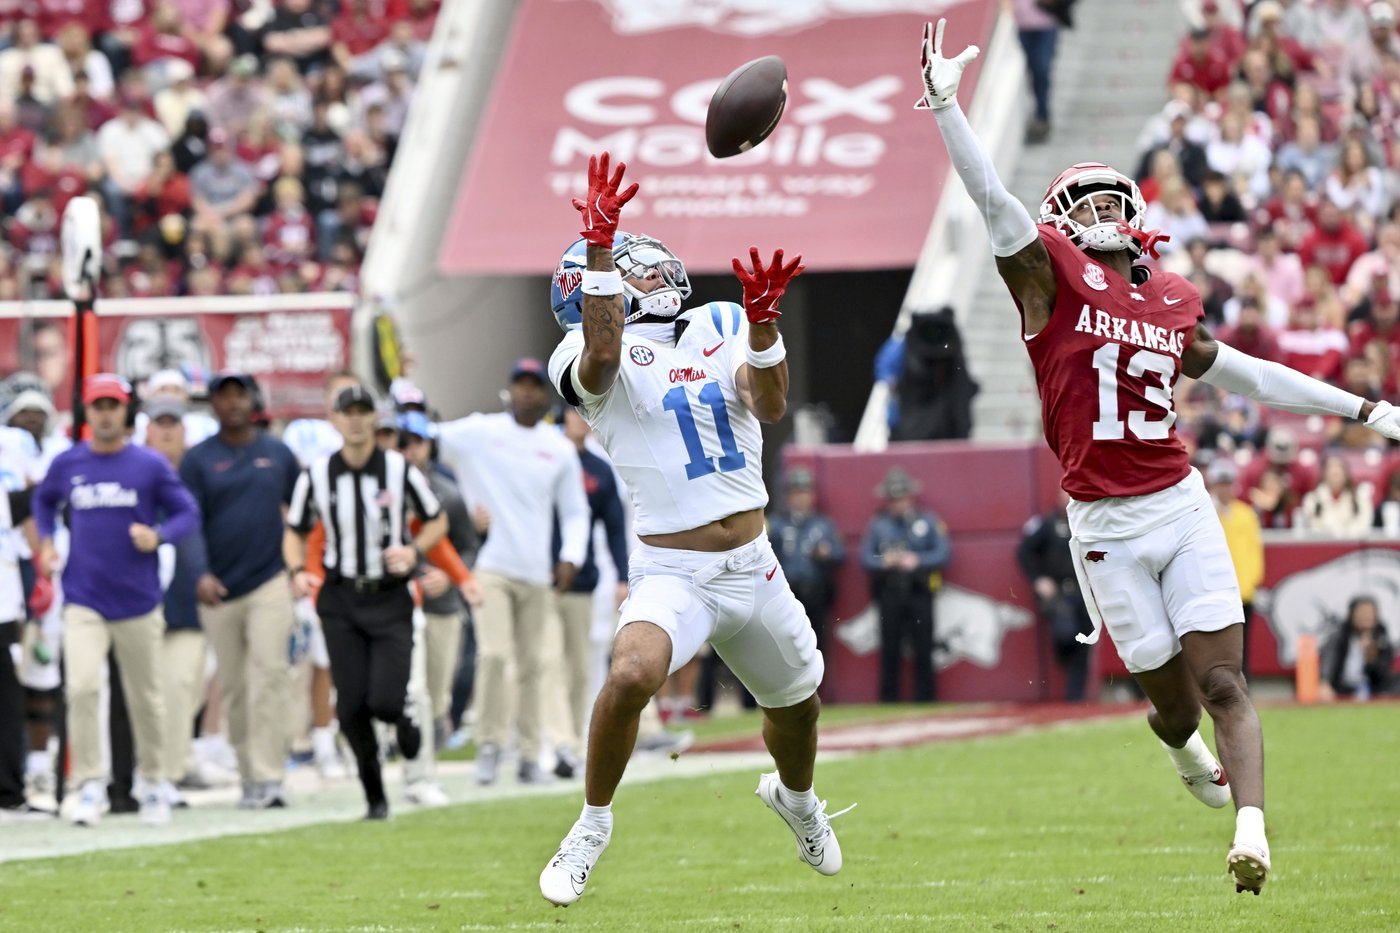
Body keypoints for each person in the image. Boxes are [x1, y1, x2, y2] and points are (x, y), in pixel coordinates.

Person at [916, 17, 1400, 894]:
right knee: (1173, 707)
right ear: (1061, 222)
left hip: (1177, 503)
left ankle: (1252, 832)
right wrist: (950, 108)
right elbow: (993, 202)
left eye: (1114, 201)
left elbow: (1249, 375)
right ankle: (1179, 750)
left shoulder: (1169, 297)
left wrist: (1364, 406)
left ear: (1135, 217)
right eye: (1087, 204)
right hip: (1101, 521)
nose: (1103, 212)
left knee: (1223, 682)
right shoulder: (1046, 278)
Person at [538, 152, 848, 906]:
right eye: (628, 266)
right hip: (674, 572)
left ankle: (798, 801)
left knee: (799, 707)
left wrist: (767, 324)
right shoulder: (580, 354)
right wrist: (602, 244)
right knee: (632, 673)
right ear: (594, 287)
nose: (653, 272)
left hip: (754, 561)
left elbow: (768, 402)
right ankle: (591, 823)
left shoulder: (716, 322)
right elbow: (606, 354)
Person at [34, 374, 201, 826]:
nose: (105, 413)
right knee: (83, 687)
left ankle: (153, 782)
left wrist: (159, 536)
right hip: (84, 598)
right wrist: (47, 541)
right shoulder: (68, 463)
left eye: (113, 405)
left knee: (146, 697)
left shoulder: (147, 465)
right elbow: (43, 501)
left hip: (139, 599)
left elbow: (187, 511)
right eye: (98, 405)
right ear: (87, 413)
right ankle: (89, 783)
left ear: (125, 412)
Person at [284, 384, 447, 820]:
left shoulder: (398, 469)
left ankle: (405, 723)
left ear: (374, 418)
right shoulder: (318, 474)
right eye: (346, 412)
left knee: (387, 702)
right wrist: (298, 570)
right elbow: (295, 528)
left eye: (362, 411)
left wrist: (413, 552)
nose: (355, 420)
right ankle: (375, 797)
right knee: (351, 705)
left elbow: (436, 519)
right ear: (334, 419)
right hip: (341, 598)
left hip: (390, 596)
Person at [435, 359, 590, 787]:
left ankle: (525, 756)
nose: (525, 393)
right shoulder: (481, 433)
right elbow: (425, 442)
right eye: (519, 385)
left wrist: (571, 556)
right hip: (491, 567)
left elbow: (575, 512)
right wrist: (461, 513)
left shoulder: (556, 447)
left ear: (543, 395)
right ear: (509, 390)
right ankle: (489, 745)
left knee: (535, 665)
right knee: (494, 655)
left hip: (536, 571)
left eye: (533, 386)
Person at [180, 372, 301, 810]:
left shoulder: (279, 454)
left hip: (270, 580)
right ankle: (248, 772)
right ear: (211, 404)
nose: (232, 403)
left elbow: (301, 515)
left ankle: (271, 776)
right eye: (223, 396)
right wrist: (199, 573)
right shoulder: (198, 460)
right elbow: (188, 521)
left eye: (239, 394)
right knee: (233, 686)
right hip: (220, 586)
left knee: (270, 675)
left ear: (253, 400)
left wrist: (298, 567)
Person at [546, 407, 631, 779]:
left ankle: (575, 740)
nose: (582, 420)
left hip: (580, 580)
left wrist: (622, 575)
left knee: (581, 664)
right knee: (545, 661)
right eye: (574, 412)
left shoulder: (597, 470)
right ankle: (551, 741)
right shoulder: (541, 458)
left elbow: (614, 524)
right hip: (538, 577)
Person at [144, 398, 209, 806]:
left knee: (181, 688)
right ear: (146, 429)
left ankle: (171, 771)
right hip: (134, 602)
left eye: (174, 424)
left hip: (186, 602)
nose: (167, 431)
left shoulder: (197, 473)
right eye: (159, 423)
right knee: (144, 692)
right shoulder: (130, 470)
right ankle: (146, 771)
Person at [860, 467, 951, 703]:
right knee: (889, 648)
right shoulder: (878, 524)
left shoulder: (928, 520)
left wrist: (918, 560)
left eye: (902, 498)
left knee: (924, 646)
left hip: (919, 589)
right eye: (894, 499)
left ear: (910, 497)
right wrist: (885, 562)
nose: (898, 503)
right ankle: (889, 699)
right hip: (890, 592)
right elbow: (867, 558)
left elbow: (943, 552)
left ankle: (926, 698)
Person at [1016, 491, 1091, 701]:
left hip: (1085, 591)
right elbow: (1024, 552)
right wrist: (1038, 579)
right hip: (1059, 592)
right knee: (1066, 634)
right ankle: (1063, 659)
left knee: (1085, 642)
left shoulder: (1090, 524)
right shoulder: (1046, 524)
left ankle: (1075, 700)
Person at [767, 466, 844, 652]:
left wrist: (827, 553)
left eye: (805, 492)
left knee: (816, 644)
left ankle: (817, 682)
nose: (801, 498)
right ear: (788, 496)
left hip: (815, 592)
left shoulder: (823, 524)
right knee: (783, 644)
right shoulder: (777, 523)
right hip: (786, 593)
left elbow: (840, 553)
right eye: (796, 492)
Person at [1205, 458, 1264, 681]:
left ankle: (1242, 690)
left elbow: (1254, 551)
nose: (1225, 489)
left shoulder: (1245, 513)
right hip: (1215, 591)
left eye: (1228, 483)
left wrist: (1251, 583)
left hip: (1242, 592)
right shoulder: (1206, 512)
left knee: (1241, 649)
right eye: (1221, 483)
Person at [1319, 596, 1393, 700]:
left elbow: (1382, 676)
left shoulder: (1381, 637)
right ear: (1352, 614)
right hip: (1342, 689)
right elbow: (1329, 659)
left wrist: (1370, 657)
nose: (1366, 617)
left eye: (1370, 613)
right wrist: (1325, 682)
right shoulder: (1340, 635)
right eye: (1362, 612)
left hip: (1372, 691)